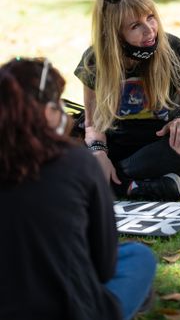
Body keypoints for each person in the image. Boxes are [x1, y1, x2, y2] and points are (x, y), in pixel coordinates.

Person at [0, 57, 156, 320]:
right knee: (138, 257)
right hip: (72, 310)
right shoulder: (77, 163)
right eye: (60, 103)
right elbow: (104, 265)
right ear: (48, 113)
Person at [74, 0, 180, 201]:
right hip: (117, 147)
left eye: (150, 18)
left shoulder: (173, 49)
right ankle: (141, 187)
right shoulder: (94, 60)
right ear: (114, 34)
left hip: (163, 149)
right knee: (75, 156)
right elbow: (93, 123)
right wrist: (99, 152)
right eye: (135, 26)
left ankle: (113, 185)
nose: (149, 30)